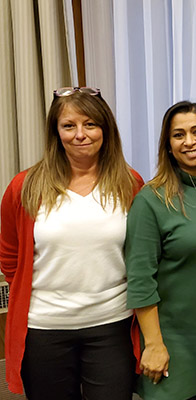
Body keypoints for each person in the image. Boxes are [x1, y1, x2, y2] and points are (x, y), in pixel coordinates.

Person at [0, 87, 143, 398]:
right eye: (69, 125)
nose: (80, 134)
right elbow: (10, 258)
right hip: (44, 331)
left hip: (112, 326)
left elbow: (141, 255)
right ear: (56, 132)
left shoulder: (129, 183)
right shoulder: (24, 187)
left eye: (90, 124)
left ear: (106, 129)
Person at [125, 101, 196, 399]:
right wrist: (153, 344)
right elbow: (140, 279)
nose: (189, 141)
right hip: (172, 343)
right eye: (178, 135)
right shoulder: (151, 200)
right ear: (168, 145)